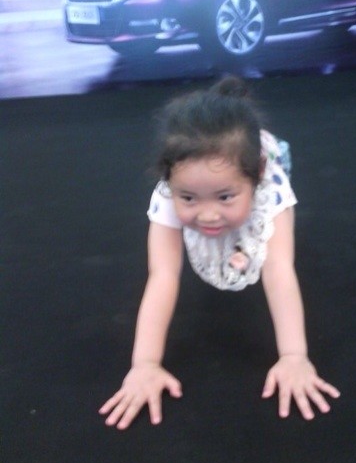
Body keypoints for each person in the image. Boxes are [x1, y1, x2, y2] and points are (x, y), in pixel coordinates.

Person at [99, 76, 340, 429]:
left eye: (225, 196)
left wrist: (294, 356)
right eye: (189, 198)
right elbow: (163, 275)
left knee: (270, 241)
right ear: (169, 181)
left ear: (255, 176)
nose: (208, 215)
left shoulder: (269, 189)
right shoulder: (167, 195)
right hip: (221, 176)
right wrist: (144, 364)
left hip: (267, 164)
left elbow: (278, 269)